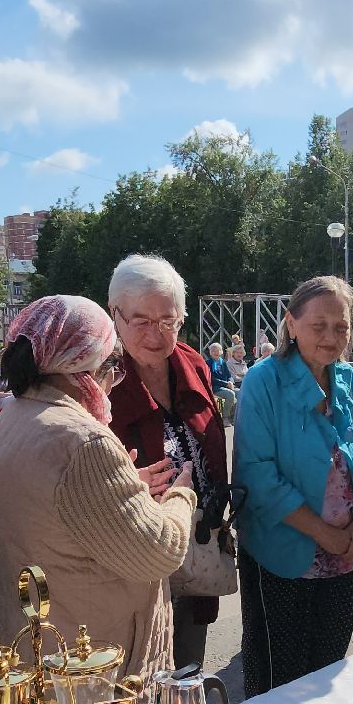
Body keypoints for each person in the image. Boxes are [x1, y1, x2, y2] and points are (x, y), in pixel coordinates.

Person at [0, 294, 196, 704]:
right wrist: (180, 495)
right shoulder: (81, 439)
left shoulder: (14, 418)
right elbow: (161, 550)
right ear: (83, 368)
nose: (112, 382)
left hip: (19, 665)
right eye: (111, 368)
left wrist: (124, 488)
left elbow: (54, 513)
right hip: (75, 684)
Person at [231, 276, 353, 698]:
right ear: (291, 323)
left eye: (341, 327)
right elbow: (257, 474)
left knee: (328, 670)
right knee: (278, 679)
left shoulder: (347, 380)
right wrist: (325, 534)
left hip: (344, 554)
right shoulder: (264, 380)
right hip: (281, 555)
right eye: (318, 326)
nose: (331, 338)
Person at [103, 254, 229, 671]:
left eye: (167, 321)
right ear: (114, 314)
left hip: (197, 546)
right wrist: (123, 484)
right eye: (140, 320)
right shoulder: (94, 378)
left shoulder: (193, 364)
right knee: (140, 676)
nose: (155, 334)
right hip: (134, 556)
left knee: (187, 670)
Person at [206, 341, 237, 418]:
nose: (216, 352)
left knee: (240, 392)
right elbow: (211, 378)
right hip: (215, 387)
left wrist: (230, 382)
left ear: (221, 352)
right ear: (210, 352)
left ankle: (234, 416)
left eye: (218, 350)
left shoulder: (223, 362)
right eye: (213, 351)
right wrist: (226, 384)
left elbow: (229, 375)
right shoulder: (208, 363)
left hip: (226, 386)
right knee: (230, 394)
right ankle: (225, 417)